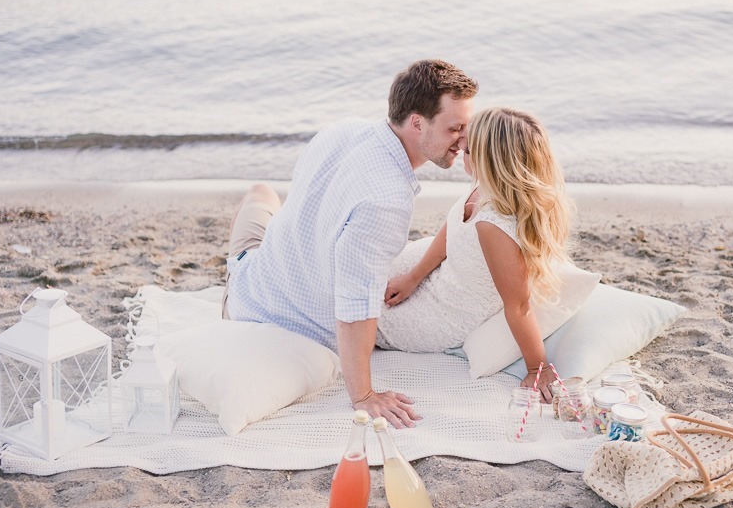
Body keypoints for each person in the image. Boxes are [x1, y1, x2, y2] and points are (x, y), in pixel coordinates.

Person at [223, 59, 478, 429]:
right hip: (255, 306)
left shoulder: (344, 130)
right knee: (262, 197)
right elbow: (356, 303)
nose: (465, 139)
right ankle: (227, 292)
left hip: (264, 278)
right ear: (417, 122)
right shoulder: (387, 200)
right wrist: (364, 396)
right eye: (455, 128)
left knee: (261, 193)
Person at [377, 107, 571, 402]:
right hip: (435, 276)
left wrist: (537, 368)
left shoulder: (494, 226)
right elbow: (452, 228)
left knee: (352, 310)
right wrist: (414, 276)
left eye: (467, 151)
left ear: (490, 162)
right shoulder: (486, 185)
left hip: (443, 313)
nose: (458, 151)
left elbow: (519, 306)